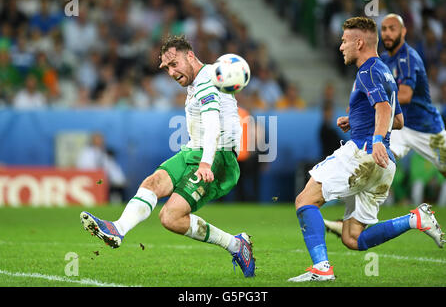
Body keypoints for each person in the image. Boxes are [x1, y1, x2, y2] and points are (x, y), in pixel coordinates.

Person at [79, 35, 255, 278]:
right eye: (166, 68)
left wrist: (206, 162)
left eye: (174, 64)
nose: (171, 72)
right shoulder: (201, 81)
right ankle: (117, 229)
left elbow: (213, 123)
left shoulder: (206, 82)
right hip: (193, 150)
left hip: (216, 157)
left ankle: (236, 245)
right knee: (151, 183)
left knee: (170, 217)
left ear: (190, 56)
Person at [288, 17, 444, 283]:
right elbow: (399, 120)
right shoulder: (385, 71)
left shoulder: (367, 71)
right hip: (385, 165)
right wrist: (357, 120)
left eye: (344, 41)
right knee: (352, 238)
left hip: (363, 154)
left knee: (305, 200)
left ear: (359, 42)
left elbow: (384, 110)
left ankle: (321, 268)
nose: (341, 47)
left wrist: (376, 139)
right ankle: (414, 219)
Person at [325, 14, 446, 235]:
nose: (388, 33)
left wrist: (375, 99)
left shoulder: (408, 58)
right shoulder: (383, 62)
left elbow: (406, 95)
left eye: (393, 29)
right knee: (374, 161)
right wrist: (360, 116)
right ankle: (351, 223)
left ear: (403, 32)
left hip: (426, 128)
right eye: (385, 29)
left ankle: (352, 224)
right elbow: (387, 108)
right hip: (397, 126)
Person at [76, 132, 127, 203]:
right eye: (97, 139)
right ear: (92, 140)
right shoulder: (86, 153)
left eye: (101, 139)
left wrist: (120, 180)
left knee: (118, 188)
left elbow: (112, 168)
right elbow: (82, 168)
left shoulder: (104, 153)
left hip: (104, 182)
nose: (99, 141)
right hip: (91, 181)